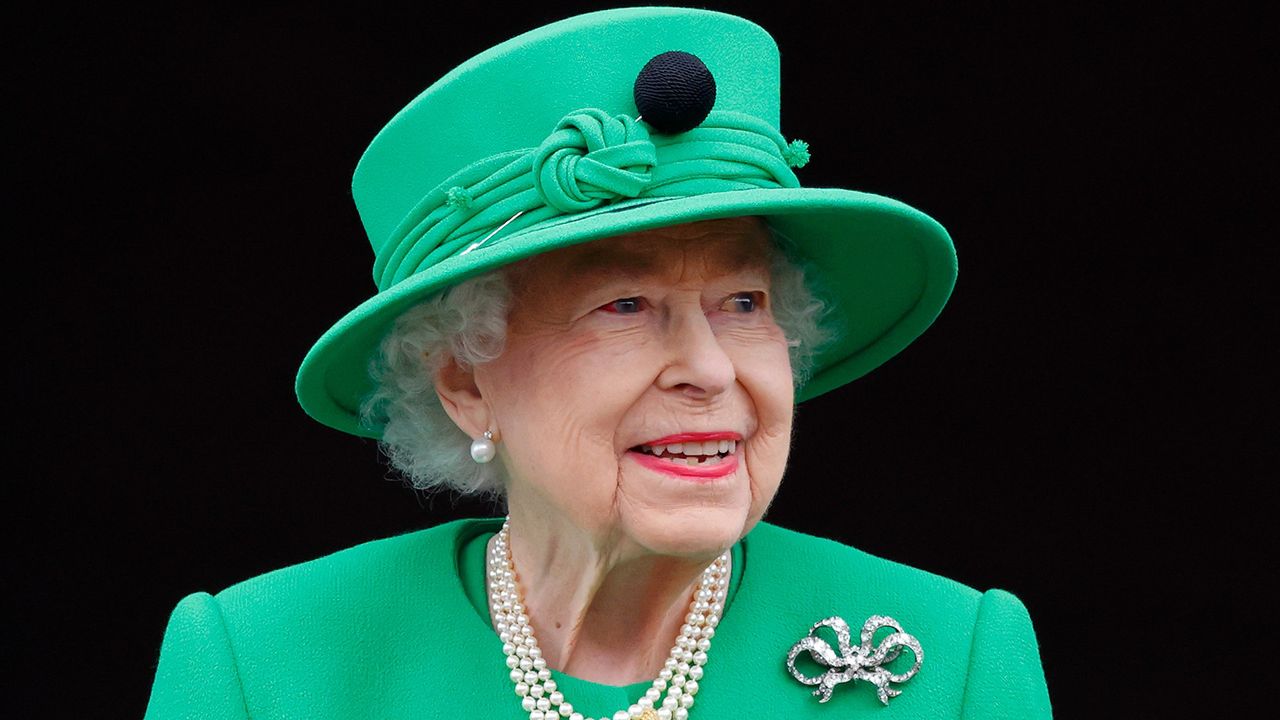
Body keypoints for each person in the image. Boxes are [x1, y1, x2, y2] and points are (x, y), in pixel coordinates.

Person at [144, 7, 1051, 719]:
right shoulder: (259, 666)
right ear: (464, 382)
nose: (708, 368)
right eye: (625, 307)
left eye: (744, 303)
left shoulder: (955, 657)